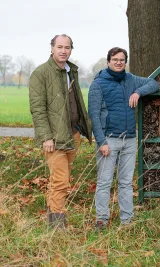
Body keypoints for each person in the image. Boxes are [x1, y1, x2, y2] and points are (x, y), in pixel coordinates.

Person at [88, 47, 159, 229]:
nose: (118, 62)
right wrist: (101, 142)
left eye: (122, 59)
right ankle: (101, 219)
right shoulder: (98, 84)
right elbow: (94, 115)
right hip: (109, 140)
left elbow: (154, 83)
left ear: (125, 62)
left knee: (126, 182)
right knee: (104, 182)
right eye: (115, 59)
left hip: (129, 139)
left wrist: (137, 93)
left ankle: (127, 221)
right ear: (108, 61)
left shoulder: (130, 79)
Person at [29, 34, 92, 228]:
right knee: (60, 181)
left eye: (67, 47)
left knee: (62, 181)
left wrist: (84, 128)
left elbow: (76, 102)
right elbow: (37, 108)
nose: (63, 51)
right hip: (54, 138)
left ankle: (54, 217)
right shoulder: (40, 73)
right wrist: (46, 137)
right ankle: (57, 227)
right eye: (59, 47)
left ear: (71, 49)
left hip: (72, 134)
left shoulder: (71, 71)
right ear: (52, 48)